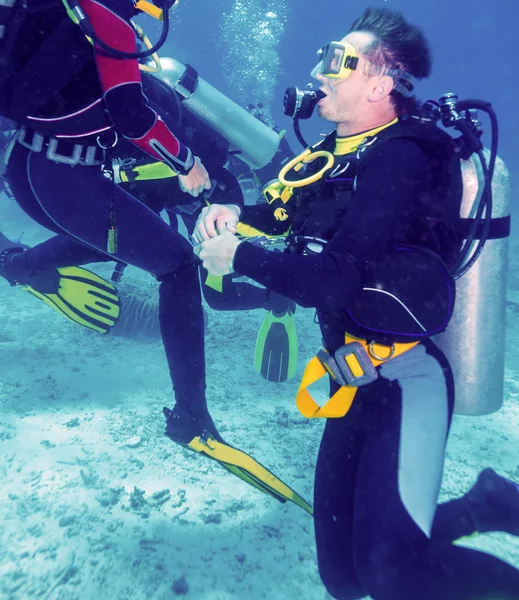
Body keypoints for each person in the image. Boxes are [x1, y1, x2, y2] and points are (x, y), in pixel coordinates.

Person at [192, 7, 519, 600]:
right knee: (344, 576)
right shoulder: (342, 151)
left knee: (393, 574)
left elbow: (335, 279)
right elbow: (297, 216)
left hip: (406, 375)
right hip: (350, 379)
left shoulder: (403, 156)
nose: (320, 73)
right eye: (324, 57)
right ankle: (482, 506)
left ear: (381, 84)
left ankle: (479, 514)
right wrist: (240, 216)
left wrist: (236, 258)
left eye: (338, 62)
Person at [0, 1, 310, 510]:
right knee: (177, 267)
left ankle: (17, 266)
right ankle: (194, 420)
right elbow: (131, 114)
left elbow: (212, 170)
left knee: (122, 240)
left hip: (33, 169)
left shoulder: (78, 19)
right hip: (64, 178)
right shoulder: (111, 27)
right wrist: (184, 163)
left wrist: (220, 202)